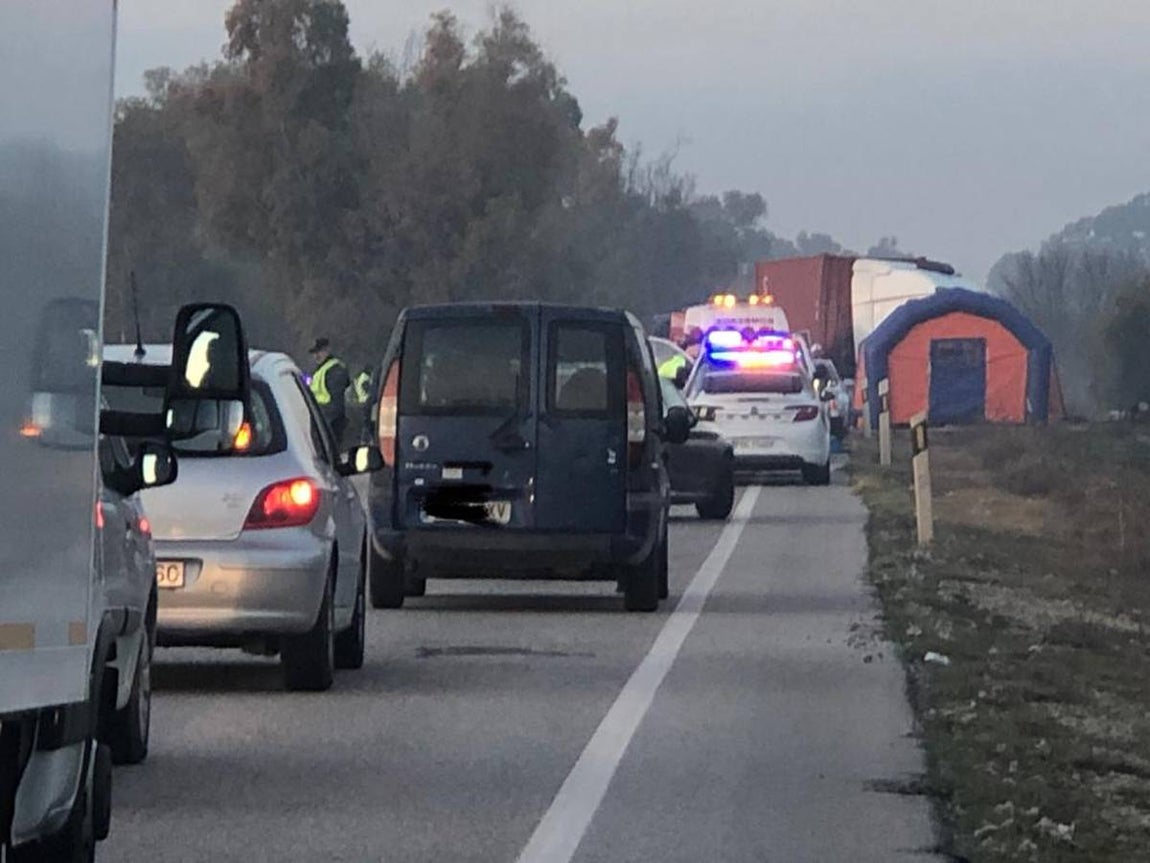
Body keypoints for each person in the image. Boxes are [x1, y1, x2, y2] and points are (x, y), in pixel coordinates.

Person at [308, 337, 350, 445]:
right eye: (314, 353)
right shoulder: (322, 369)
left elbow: (336, 405)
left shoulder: (335, 370)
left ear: (327, 350)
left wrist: (324, 424)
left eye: (319, 352)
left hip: (329, 425)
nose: (316, 356)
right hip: (321, 422)